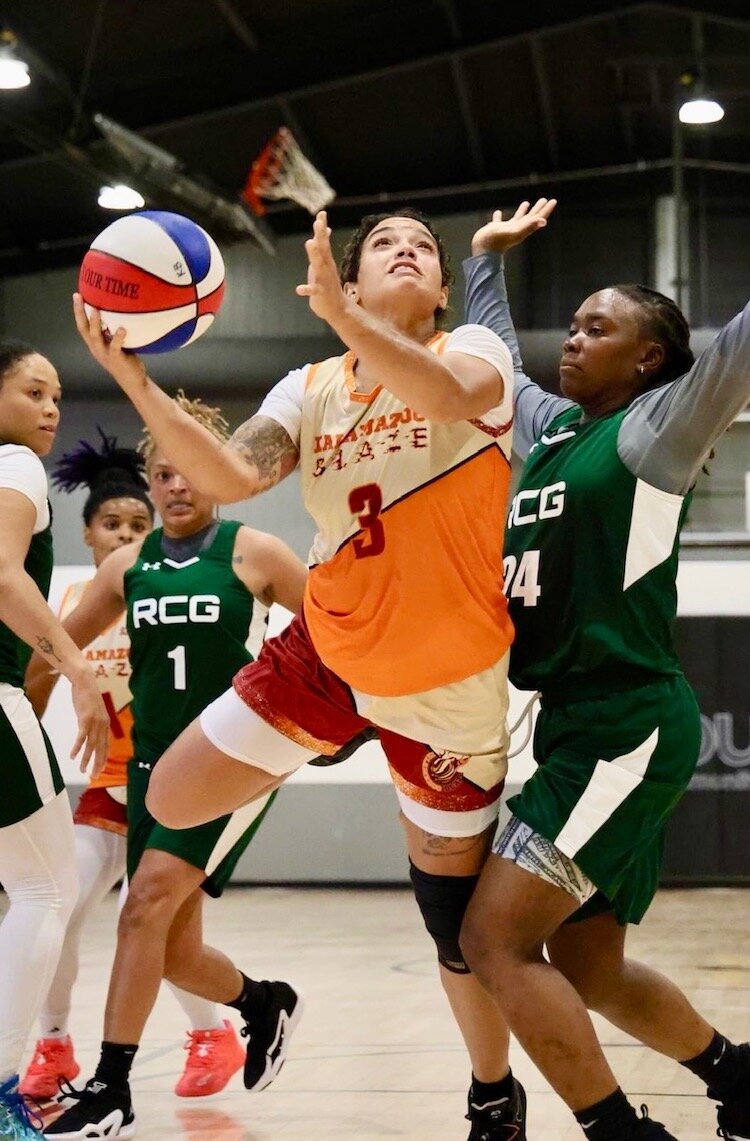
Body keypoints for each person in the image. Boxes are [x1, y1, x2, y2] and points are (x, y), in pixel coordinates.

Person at [70, 207, 529, 1141]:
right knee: (183, 793)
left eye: (425, 247)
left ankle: (492, 1090)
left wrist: (348, 321)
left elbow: (444, 397)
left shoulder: (477, 349)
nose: (409, 249)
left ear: (441, 290)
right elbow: (235, 474)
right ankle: (323, 736)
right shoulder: (311, 383)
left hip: (443, 681)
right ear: (350, 284)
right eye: (383, 245)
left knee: (452, 923)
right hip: (330, 650)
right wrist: (133, 377)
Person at [458, 201, 750, 1141]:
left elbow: (737, 346)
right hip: (579, 726)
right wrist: (483, 262)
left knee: (491, 939)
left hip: (625, 724)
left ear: (651, 360)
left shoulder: (657, 429)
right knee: (591, 966)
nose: (573, 339)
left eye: (598, 327)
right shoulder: (546, 432)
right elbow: (496, 356)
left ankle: (617, 1132)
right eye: (573, 323)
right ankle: (739, 1077)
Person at [43, 392, 310, 1141]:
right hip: (153, 767)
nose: (179, 484)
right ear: (151, 482)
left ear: (219, 475)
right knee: (171, 950)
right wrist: (80, 685)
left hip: (232, 759)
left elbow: (334, 633)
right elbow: (56, 643)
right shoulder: (129, 566)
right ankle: (262, 1002)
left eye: (193, 468)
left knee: (141, 906)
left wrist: (311, 731)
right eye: (164, 472)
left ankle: (110, 1085)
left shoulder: (255, 551)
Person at [21, 429, 254, 1102]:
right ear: (88, 533)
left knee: (151, 920)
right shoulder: (73, 611)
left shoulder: (178, 582)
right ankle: (54, 1043)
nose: (124, 534)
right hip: (108, 784)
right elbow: (39, 675)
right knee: (62, 914)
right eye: (110, 524)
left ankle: (212, 1032)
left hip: (176, 777)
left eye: (136, 524)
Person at [0, 340, 109, 1140]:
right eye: (33, 390)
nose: (51, 407)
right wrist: (75, 666)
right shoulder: (16, 467)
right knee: (47, 889)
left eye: (57, 393)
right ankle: (5, 1089)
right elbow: (4, 576)